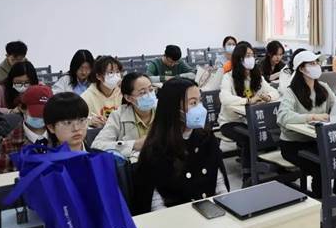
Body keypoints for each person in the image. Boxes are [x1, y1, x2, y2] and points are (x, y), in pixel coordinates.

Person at [133, 78, 228, 214]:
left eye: (200, 101)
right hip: (175, 219)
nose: (200, 108)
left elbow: (219, 184)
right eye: (193, 103)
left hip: (211, 212)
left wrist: (225, 213)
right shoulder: (156, 149)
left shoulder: (206, 138)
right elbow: (155, 206)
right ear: (173, 108)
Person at [276, 50, 336, 198]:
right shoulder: (291, 91)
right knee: (320, 165)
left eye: (317, 63)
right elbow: (283, 116)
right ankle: (320, 200)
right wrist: (312, 117)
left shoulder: (323, 87)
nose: (317, 66)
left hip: (316, 140)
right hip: (293, 144)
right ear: (302, 68)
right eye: (312, 64)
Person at [219, 41, 280, 181]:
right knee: (249, 137)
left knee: (272, 134)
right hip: (230, 122)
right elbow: (225, 98)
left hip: (251, 120)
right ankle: (248, 176)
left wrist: (268, 97)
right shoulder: (228, 77)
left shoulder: (256, 76)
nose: (251, 58)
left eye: (252, 55)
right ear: (239, 59)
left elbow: (275, 91)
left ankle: (272, 167)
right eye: (247, 55)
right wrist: (248, 100)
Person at [92, 73, 157, 157]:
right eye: (142, 92)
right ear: (128, 98)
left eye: (151, 90)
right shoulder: (118, 116)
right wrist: (134, 144)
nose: (149, 95)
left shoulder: (164, 110)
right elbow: (97, 146)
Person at [0, 85, 52, 174]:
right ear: (22, 108)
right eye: (36, 113)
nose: (40, 116)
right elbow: (0, 180)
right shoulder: (9, 144)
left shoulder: (60, 136)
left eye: (44, 112)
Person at [81, 56, 123, 128]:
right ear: (98, 76)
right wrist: (90, 121)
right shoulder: (86, 97)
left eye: (117, 72)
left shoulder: (123, 93)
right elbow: (78, 121)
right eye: (111, 73)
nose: (116, 76)